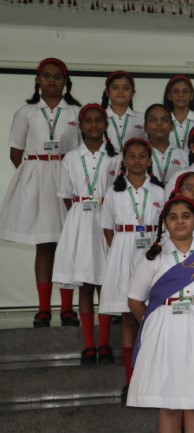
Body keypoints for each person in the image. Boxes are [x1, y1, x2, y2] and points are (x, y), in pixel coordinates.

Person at [127, 196, 194, 433]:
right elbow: (135, 300)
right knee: (169, 404)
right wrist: (154, 325)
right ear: (165, 222)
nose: (180, 222)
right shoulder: (153, 257)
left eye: (186, 216)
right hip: (165, 333)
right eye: (173, 217)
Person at [0, 57, 82, 327]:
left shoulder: (76, 112)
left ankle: (68, 309)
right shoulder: (26, 112)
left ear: (65, 82)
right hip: (38, 183)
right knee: (44, 245)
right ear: (37, 80)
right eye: (46, 76)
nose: (52, 81)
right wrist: (36, 177)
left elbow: (81, 152)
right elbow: (15, 153)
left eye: (57, 77)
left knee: (68, 245)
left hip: (68, 181)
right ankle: (44, 309)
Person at [52, 104, 121, 364]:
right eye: (88, 121)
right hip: (81, 223)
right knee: (85, 284)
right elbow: (66, 196)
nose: (93, 125)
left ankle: (104, 343)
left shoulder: (116, 157)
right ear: (81, 126)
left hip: (107, 220)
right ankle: (89, 344)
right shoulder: (70, 158)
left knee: (105, 283)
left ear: (105, 125)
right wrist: (82, 214)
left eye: (98, 120)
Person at [99, 138, 166, 403]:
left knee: (153, 317)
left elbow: (165, 227)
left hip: (152, 252)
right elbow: (107, 229)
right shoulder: (113, 192)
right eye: (131, 156)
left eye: (142, 156)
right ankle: (131, 380)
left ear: (149, 160)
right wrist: (122, 251)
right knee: (129, 317)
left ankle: (154, 378)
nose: (137, 160)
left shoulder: (159, 191)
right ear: (124, 160)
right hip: (124, 253)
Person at [144, 104, 188, 185]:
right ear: (145, 127)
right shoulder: (139, 156)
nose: (159, 123)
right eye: (153, 120)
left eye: (164, 120)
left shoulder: (185, 156)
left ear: (172, 126)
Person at [101, 70, 145, 151]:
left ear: (133, 93)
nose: (120, 91)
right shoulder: (99, 118)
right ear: (107, 92)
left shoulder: (143, 119)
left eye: (126, 88)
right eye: (115, 88)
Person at [163, 75, 194, 150]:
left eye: (185, 91)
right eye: (176, 91)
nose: (181, 95)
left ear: (191, 96)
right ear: (169, 96)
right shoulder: (163, 123)